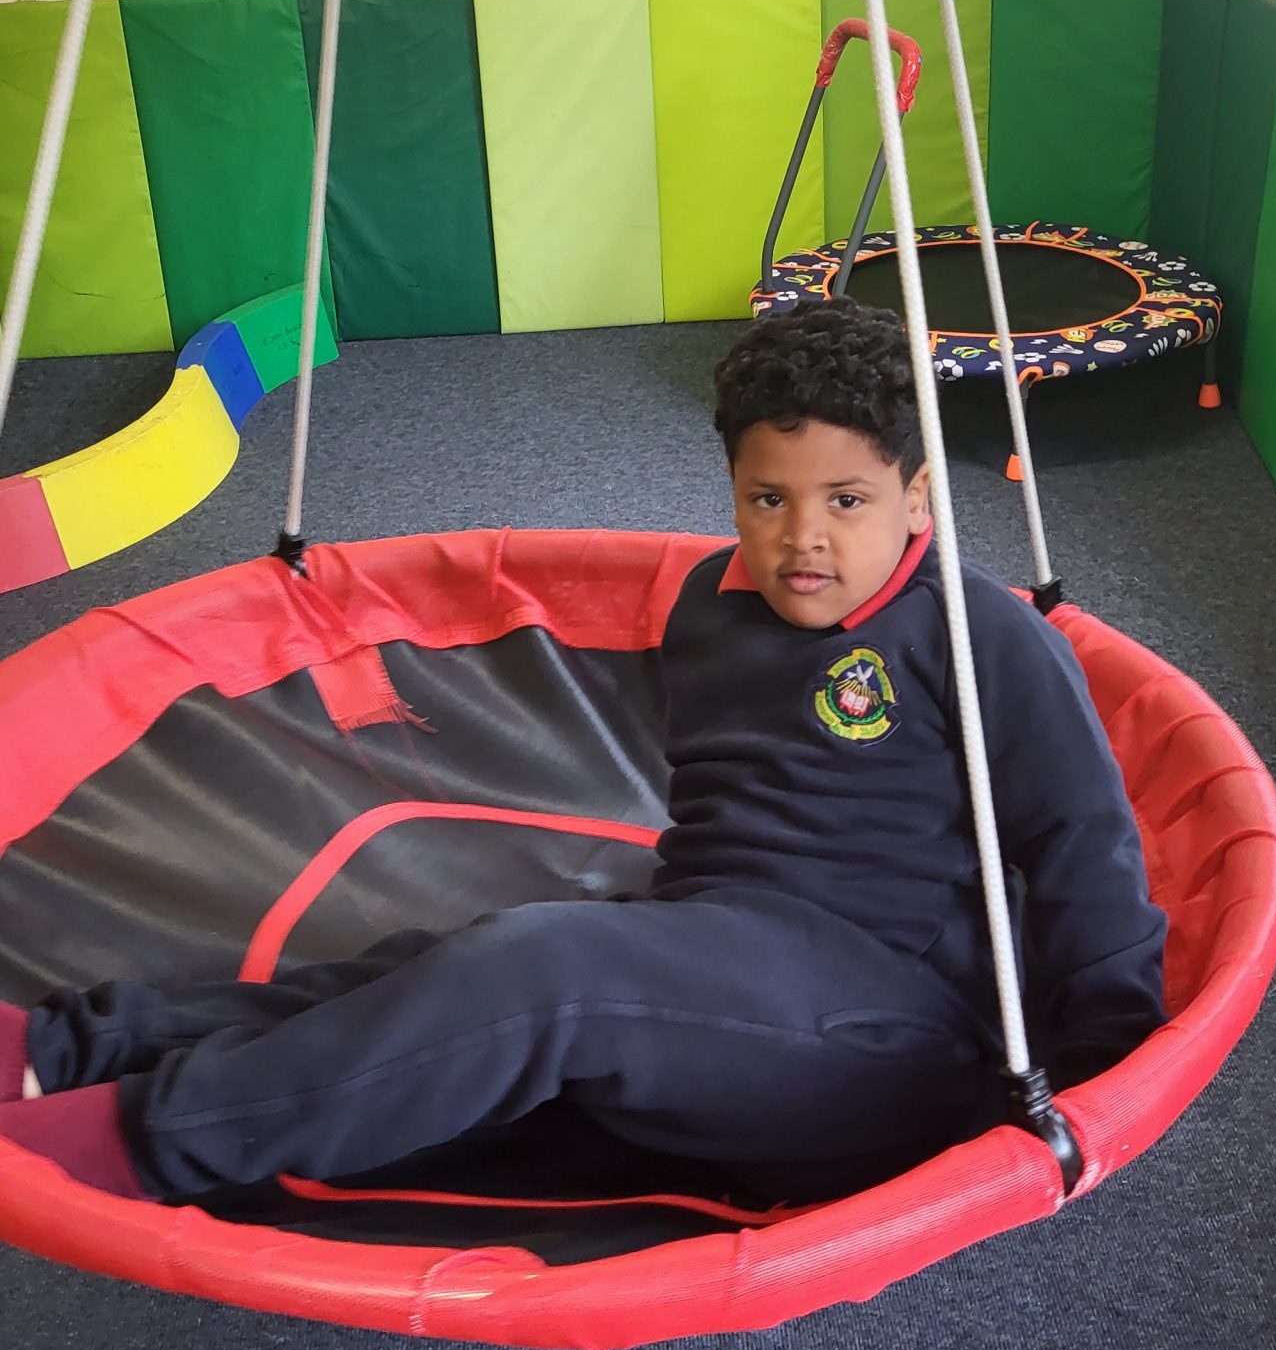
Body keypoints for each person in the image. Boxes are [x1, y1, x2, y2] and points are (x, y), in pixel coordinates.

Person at [0, 300, 1166, 1207]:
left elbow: (1083, 845)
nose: (803, 538)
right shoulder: (712, 604)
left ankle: (153, 1137)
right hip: (729, 958)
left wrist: (1093, 1079)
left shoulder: (977, 634)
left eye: (847, 501)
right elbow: (728, 834)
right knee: (446, 960)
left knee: (548, 971)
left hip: (882, 1031)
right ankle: (80, 1044)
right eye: (767, 498)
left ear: (918, 500)